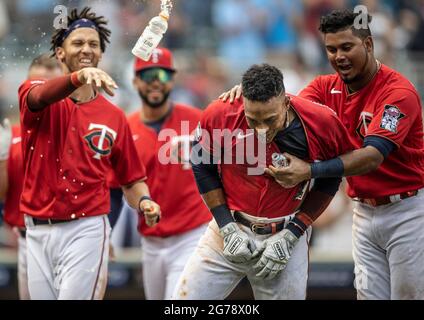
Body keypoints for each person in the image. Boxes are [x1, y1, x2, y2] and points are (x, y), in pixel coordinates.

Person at [221, 9, 424, 300]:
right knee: (369, 297)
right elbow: (286, 110)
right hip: (363, 211)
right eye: (331, 49)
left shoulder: (398, 92)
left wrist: (309, 171)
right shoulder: (323, 87)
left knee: (409, 297)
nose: (338, 56)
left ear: (368, 44)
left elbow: (372, 157)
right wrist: (256, 94)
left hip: (407, 210)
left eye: (346, 47)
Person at [172, 63, 353, 300]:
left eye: (269, 119)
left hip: (286, 234)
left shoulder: (320, 122)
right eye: (252, 119)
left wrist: (293, 233)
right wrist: (226, 227)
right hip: (227, 230)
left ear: (286, 102)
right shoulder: (221, 113)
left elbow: (330, 179)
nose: (261, 129)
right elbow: (201, 164)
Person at [17, 7, 160, 300]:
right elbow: (38, 97)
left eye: (93, 44)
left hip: (86, 228)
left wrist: (145, 201)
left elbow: (131, 179)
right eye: (78, 43)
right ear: (60, 53)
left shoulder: (115, 115)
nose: (86, 49)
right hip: (36, 229)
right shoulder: (36, 91)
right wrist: (79, 77)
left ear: (101, 54)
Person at [121, 47, 212, 300]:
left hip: (193, 234)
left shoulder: (198, 121)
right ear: (135, 81)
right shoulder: (126, 129)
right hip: (150, 240)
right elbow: (116, 187)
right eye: (148, 75)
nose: (155, 83)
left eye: (162, 75)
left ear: (172, 79)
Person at [0, 54, 62, 300]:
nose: (41, 94)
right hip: (28, 238)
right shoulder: (10, 136)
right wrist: (2, 157)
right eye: (35, 85)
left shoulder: (75, 131)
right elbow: (2, 194)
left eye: (49, 87)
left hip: (72, 234)